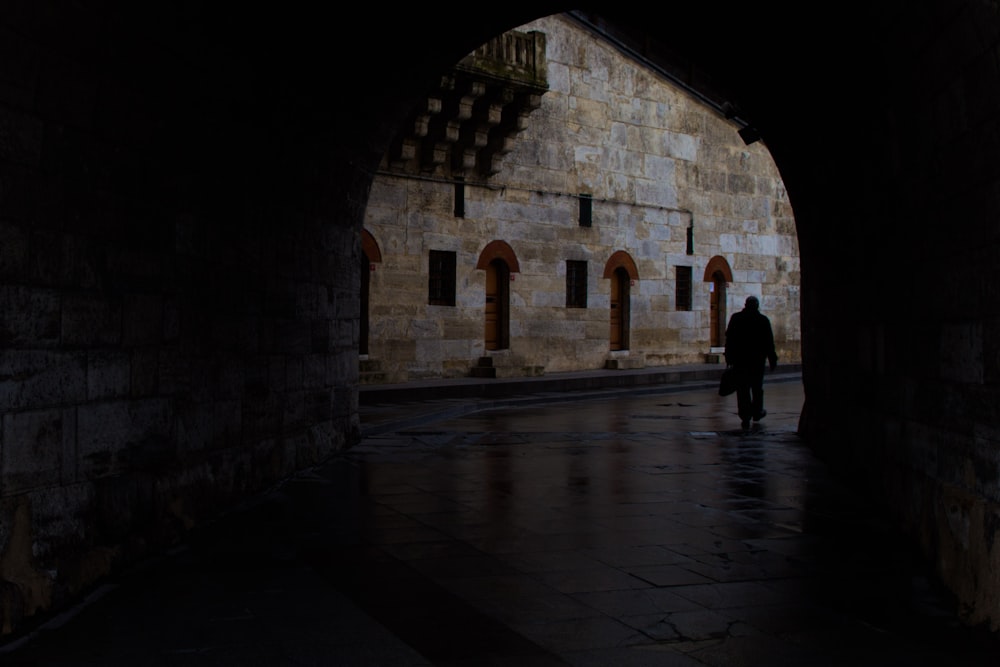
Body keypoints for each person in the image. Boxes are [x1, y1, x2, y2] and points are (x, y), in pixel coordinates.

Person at [724, 295, 778, 431]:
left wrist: (729, 357)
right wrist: (772, 358)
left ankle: (745, 415)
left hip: (740, 360)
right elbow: (768, 341)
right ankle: (757, 411)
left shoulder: (736, 319)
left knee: (743, 388)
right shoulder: (762, 320)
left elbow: (730, 338)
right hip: (757, 361)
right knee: (757, 387)